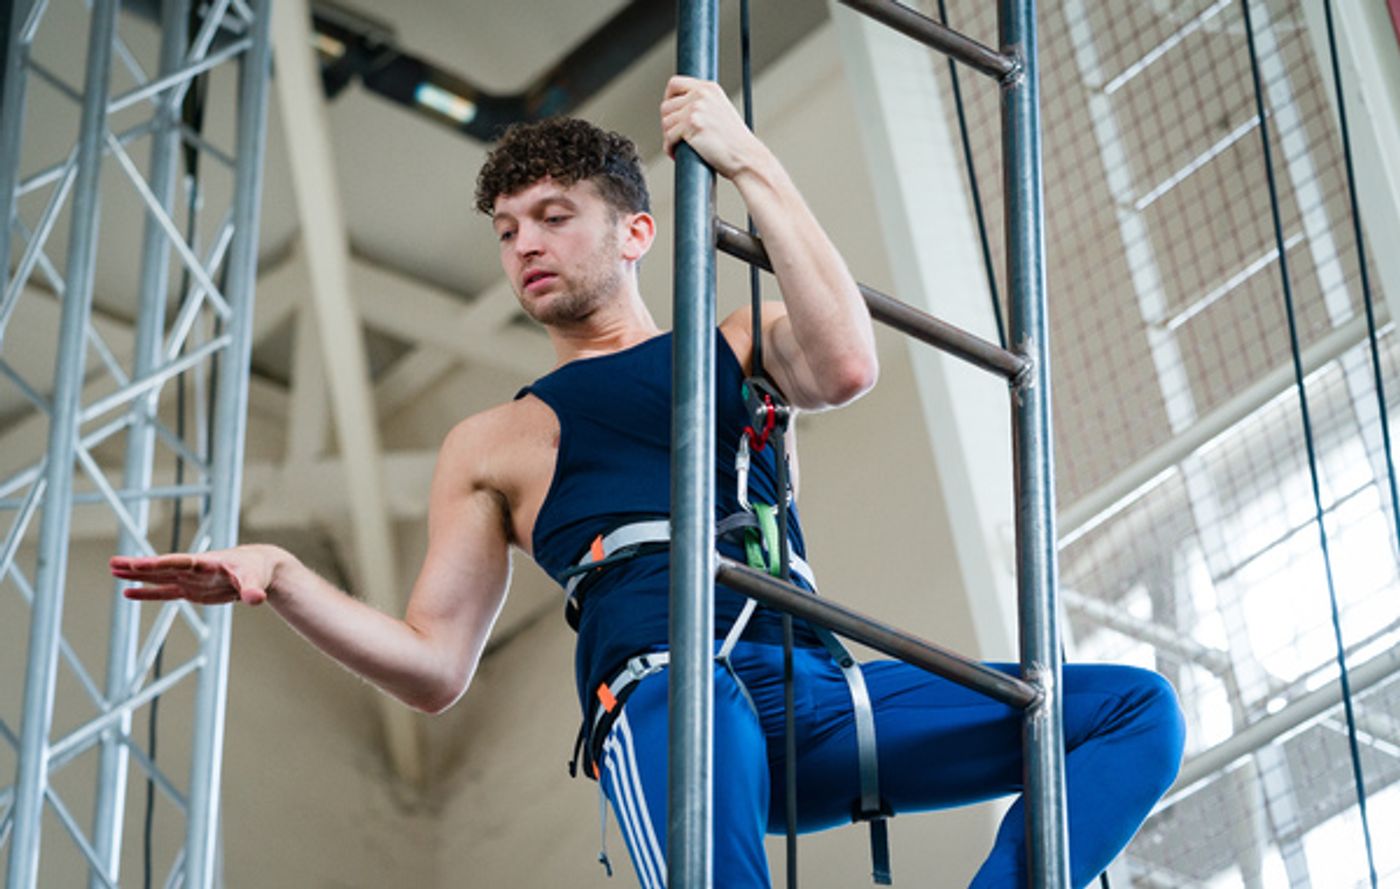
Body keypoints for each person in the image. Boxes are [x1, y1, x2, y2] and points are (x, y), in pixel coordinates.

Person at [110, 76, 1185, 888]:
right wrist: (285, 576)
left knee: (1128, 709)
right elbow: (435, 665)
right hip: (669, 696)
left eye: (550, 217)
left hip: (807, 688)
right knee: (691, 691)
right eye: (504, 231)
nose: (522, 244)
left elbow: (847, 364)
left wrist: (749, 162)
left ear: (636, 233)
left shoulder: (734, 344)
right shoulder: (493, 441)